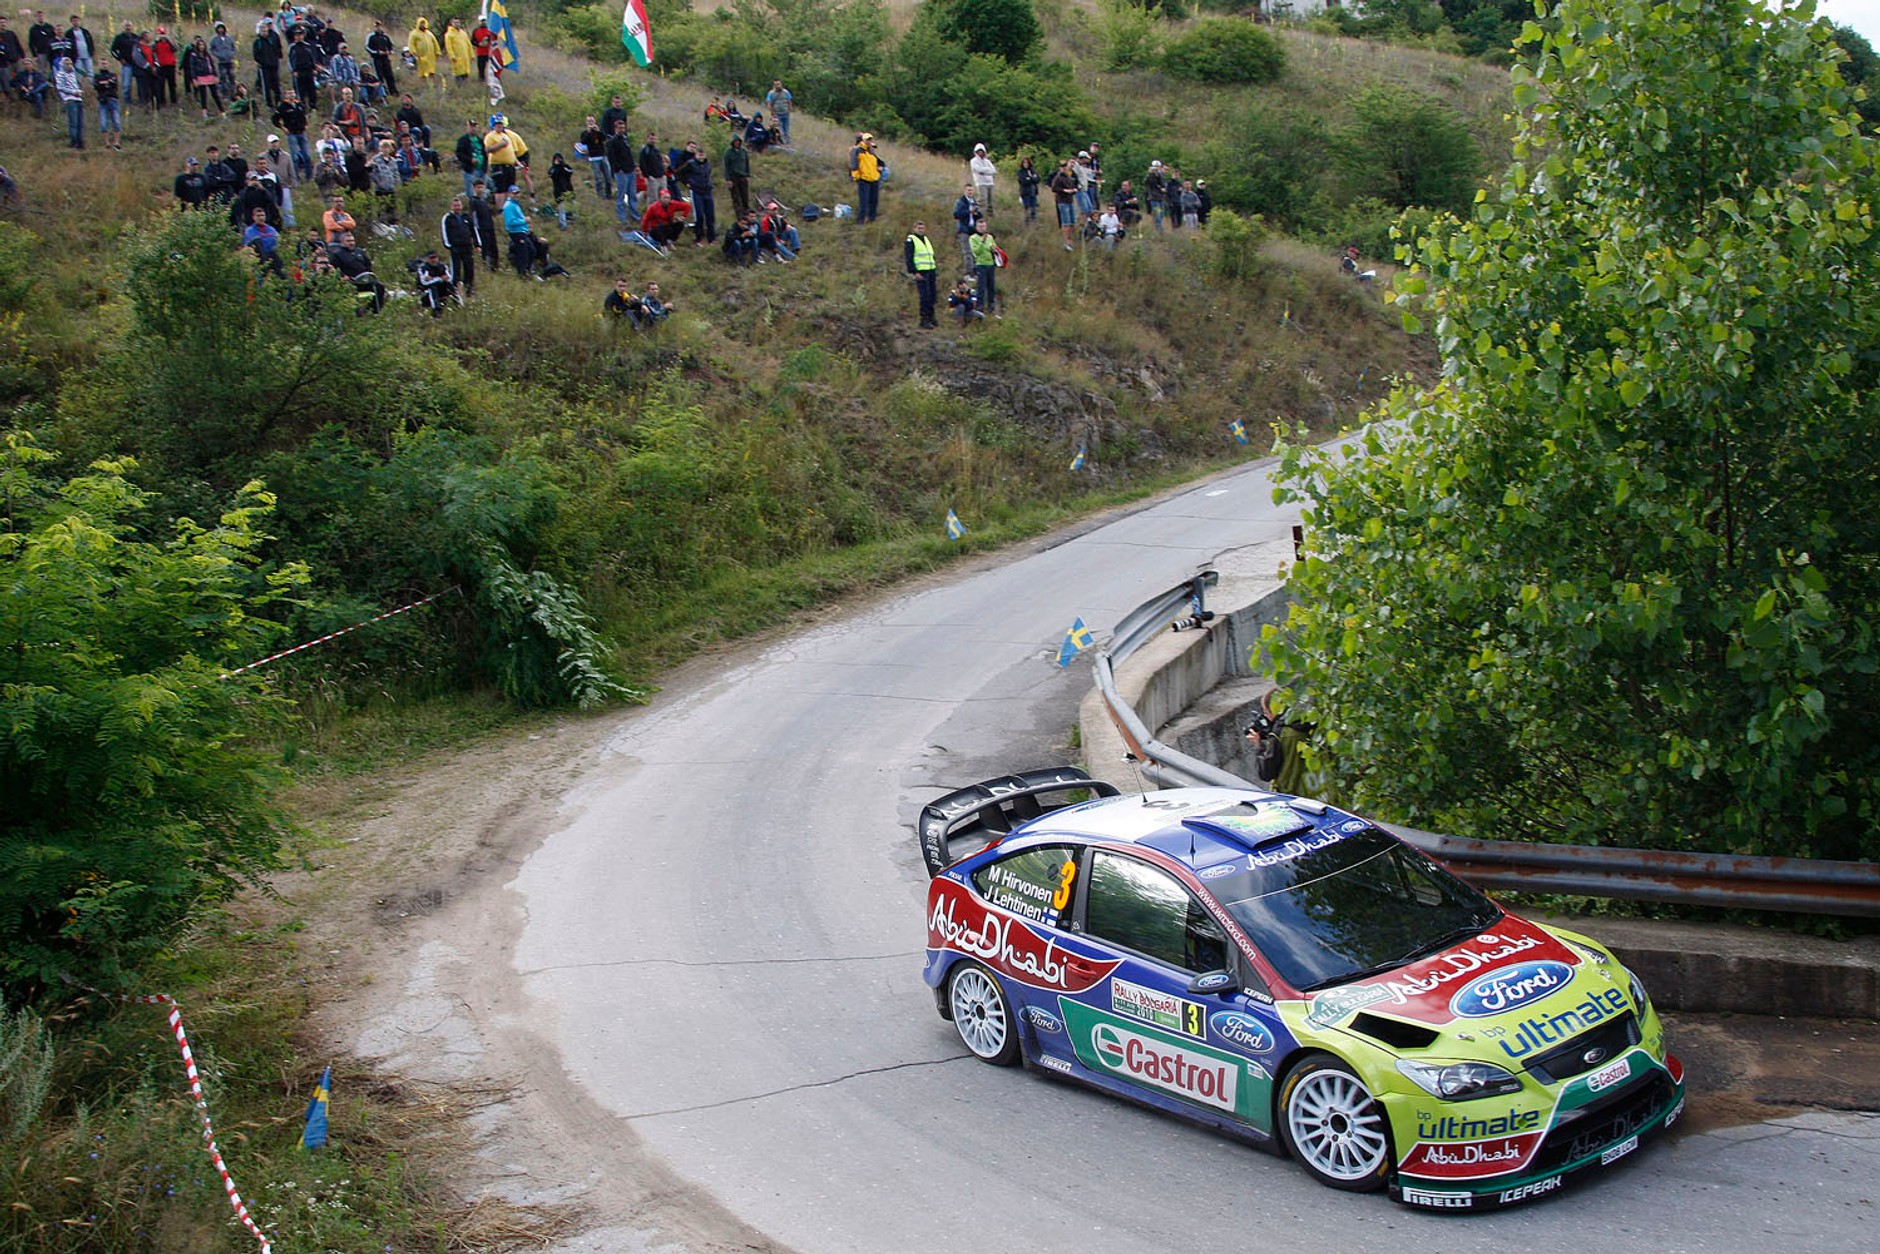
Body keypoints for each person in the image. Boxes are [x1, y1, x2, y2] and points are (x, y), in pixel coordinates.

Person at [325, 228, 384, 311]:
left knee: (379, 287)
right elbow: (333, 269)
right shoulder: (337, 254)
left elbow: (368, 265)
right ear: (342, 242)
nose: (351, 243)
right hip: (351, 283)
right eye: (348, 241)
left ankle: (374, 310)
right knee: (349, 291)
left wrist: (370, 274)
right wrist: (343, 276)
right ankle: (355, 312)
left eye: (352, 240)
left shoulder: (360, 251)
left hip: (365, 280)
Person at [674, 141, 715, 245]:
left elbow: (708, 174)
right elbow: (678, 173)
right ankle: (698, 238)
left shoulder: (708, 164)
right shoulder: (691, 164)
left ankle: (712, 238)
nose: (701, 157)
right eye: (699, 155)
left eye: (703, 155)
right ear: (696, 155)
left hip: (707, 191)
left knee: (710, 216)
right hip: (696, 191)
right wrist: (686, 182)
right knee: (699, 215)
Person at [441, 194, 480, 296]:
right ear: (451, 207)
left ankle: (469, 289)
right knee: (456, 270)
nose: (457, 208)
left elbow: (474, 231)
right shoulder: (448, 218)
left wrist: (477, 244)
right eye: (455, 206)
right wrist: (449, 246)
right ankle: (454, 291)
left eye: (458, 205)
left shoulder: (466, 217)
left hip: (467, 247)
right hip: (455, 248)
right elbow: (444, 232)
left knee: (469, 269)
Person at [484, 113, 528, 197]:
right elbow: (487, 149)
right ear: (494, 125)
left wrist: (517, 162)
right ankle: (500, 209)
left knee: (510, 188)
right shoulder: (490, 136)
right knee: (500, 189)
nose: (499, 126)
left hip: (510, 166)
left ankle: (508, 207)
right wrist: (500, 144)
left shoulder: (505, 135)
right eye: (497, 124)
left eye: (501, 124)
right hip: (498, 165)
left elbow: (511, 151)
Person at [905, 219, 937, 329]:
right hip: (921, 272)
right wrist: (914, 272)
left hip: (930, 270)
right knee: (925, 297)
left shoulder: (926, 239)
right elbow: (909, 257)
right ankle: (924, 320)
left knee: (932, 296)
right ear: (914, 229)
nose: (921, 230)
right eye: (919, 228)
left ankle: (932, 317)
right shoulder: (911, 240)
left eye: (923, 228)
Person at [606, 119, 638, 224]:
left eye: (623, 128)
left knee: (632, 194)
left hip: (630, 170)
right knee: (621, 195)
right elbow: (611, 157)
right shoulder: (612, 141)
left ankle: (634, 214)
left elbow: (629, 154)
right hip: (621, 172)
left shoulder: (625, 139)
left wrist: (633, 166)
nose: (622, 129)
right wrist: (618, 169)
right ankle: (622, 217)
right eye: (620, 128)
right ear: (615, 129)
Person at [500, 186, 535, 277]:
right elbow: (510, 222)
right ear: (509, 194)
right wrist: (524, 221)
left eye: (517, 193)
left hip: (522, 232)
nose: (516, 195)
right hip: (516, 233)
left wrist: (526, 226)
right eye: (514, 193)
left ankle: (527, 270)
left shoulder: (515, 204)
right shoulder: (509, 206)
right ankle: (522, 273)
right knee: (523, 253)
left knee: (531, 250)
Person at [184, 36, 221, 119]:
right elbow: (192, 68)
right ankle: (205, 113)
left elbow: (212, 65)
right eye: (200, 45)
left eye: (203, 45)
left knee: (215, 94)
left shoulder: (207, 55)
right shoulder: (193, 55)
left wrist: (215, 75)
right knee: (203, 96)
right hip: (200, 77)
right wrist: (194, 79)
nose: (201, 47)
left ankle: (222, 111)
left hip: (210, 75)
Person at [969, 220, 1000, 317]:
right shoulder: (973, 238)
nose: (982, 228)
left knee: (991, 287)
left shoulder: (990, 237)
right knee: (981, 287)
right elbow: (976, 252)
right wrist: (982, 242)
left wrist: (994, 250)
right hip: (981, 265)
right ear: (976, 227)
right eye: (980, 226)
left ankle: (991, 308)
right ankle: (980, 309)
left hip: (991, 264)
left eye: (983, 226)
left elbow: (995, 248)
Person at [849, 132, 882, 223]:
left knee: (874, 201)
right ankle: (860, 221)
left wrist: (879, 171)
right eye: (867, 139)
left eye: (870, 139)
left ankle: (871, 219)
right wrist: (857, 177)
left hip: (874, 179)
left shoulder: (871, 151)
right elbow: (854, 165)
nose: (869, 141)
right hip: (863, 179)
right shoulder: (857, 150)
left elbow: (879, 163)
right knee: (864, 202)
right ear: (863, 140)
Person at [242, 205, 283, 276]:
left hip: (272, 255)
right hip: (258, 258)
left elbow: (278, 240)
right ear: (253, 217)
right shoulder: (250, 230)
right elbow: (250, 245)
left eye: (262, 215)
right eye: (258, 216)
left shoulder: (271, 229)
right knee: (257, 241)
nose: (260, 218)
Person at [1048, 158, 1079, 250]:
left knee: (1072, 222)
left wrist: (1074, 190)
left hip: (1070, 201)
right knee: (1066, 223)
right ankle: (1066, 242)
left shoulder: (1070, 177)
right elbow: (1054, 188)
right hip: (1062, 201)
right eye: (1063, 167)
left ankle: (1070, 240)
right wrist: (1065, 190)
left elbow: (1075, 186)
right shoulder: (1058, 177)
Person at [468, 178, 499, 268]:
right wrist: (476, 229)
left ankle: (494, 267)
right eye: (478, 187)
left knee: (493, 247)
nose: (480, 189)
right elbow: (473, 217)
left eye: (482, 187)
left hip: (490, 227)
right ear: (474, 188)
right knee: (485, 248)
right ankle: (486, 266)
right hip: (482, 228)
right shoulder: (473, 201)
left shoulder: (484, 201)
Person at [53, 56, 82, 148]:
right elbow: (60, 87)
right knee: (73, 123)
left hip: (79, 99)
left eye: (70, 63)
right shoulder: (60, 74)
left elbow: (75, 85)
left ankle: (80, 142)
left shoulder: (73, 74)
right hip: (70, 100)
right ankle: (74, 142)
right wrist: (73, 92)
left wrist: (79, 91)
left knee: (80, 123)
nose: (69, 65)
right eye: (67, 64)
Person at [415, 250, 454, 314]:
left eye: (435, 257)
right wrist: (440, 279)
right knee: (432, 287)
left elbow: (449, 279)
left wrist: (433, 279)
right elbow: (424, 283)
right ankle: (436, 310)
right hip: (426, 294)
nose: (434, 260)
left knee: (450, 285)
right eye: (431, 258)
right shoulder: (423, 268)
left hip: (442, 291)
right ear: (427, 259)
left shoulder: (443, 266)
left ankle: (458, 304)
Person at [455, 115, 485, 198]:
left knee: (482, 193)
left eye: (475, 126)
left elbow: (485, 152)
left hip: (481, 169)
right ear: (467, 127)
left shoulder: (480, 140)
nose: (473, 128)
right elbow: (459, 154)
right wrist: (470, 160)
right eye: (471, 126)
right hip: (470, 170)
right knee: (471, 194)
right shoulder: (463, 140)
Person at [364, 20, 396, 97]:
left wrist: (390, 51)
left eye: (379, 26)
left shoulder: (385, 36)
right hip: (376, 59)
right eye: (376, 26)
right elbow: (367, 47)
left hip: (385, 58)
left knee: (389, 75)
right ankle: (382, 93)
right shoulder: (371, 36)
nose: (378, 27)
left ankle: (393, 91)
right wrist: (377, 52)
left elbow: (392, 46)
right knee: (379, 76)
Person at [287, 28, 317, 109]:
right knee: (300, 92)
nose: (299, 37)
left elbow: (312, 58)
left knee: (312, 91)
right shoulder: (292, 47)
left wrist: (314, 68)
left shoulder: (307, 46)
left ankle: (313, 106)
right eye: (297, 35)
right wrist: (293, 71)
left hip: (309, 71)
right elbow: (290, 61)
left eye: (301, 35)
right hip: (299, 72)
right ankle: (301, 108)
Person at [724, 133, 751, 219]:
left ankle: (747, 214)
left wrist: (748, 175)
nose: (737, 143)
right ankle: (739, 216)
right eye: (735, 141)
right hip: (733, 177)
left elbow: (747, 163)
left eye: (739, 141)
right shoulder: (728, 153)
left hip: (743, 176)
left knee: (745, 196)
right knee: (736, 198)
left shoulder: (743, 151)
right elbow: (726, 167)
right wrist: (728, 180)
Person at [952, 185, 981, 267]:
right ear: (964, 191)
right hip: (964, 229)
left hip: (974, 229)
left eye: (971, 190)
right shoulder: (961, 202)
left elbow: (980, 217)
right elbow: (956, 214)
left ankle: (975, 272)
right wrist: (968, 211)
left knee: (975, 252)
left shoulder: (974, 202)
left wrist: (977, 213)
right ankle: (969, 272)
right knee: (967, 252)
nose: (970, 192)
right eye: (968, 190)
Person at [93, 63, 120, 149]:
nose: (104, 65)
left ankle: (116, 142)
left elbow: (114, 84)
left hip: (113, 99)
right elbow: (97, 86)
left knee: (116, 121)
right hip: (102, 100)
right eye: (102, 63)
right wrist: (107, 83)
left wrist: (103, 83)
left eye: (105, 63)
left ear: (108, 64)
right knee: (103, 122)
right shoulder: (97, 76)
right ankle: (107, 143)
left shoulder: (113, 75)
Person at [209, 21, 237, 101]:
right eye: (219, 28)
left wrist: (232, 54)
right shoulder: (214, 39)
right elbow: (211, 49)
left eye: (222, 28)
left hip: (230, 61)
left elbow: (233, 47)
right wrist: (218, 55)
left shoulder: (229, 38)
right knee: (223, 77)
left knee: (232, 76)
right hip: (221, 62)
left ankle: (233, 93)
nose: (220, 30)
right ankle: (225, 94)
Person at [408, 18, 439, 89]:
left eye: (424, 23)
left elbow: (435, 42)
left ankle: (432, 86)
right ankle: (423, 86)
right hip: (421, 57)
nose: (423, 25)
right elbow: (411, 44)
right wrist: (414, 53)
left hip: (431, 57)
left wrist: (437, 51)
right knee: (422, 73)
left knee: (431, 72)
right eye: (421, 23)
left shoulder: (429, 33)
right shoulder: (414, 33)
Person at [151, 25, 177, 106]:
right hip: (161, 66)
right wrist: (156, 41)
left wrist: (169, 40)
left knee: (172, 84)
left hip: (170, 66)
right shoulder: (155, 44)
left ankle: (174, 101)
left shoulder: (169, 43)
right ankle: (162, 101)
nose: (162, 36)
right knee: (161, 85)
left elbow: (175, 49)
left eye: (163, 34)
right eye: (160, 34)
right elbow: (152, 50)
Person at [548, 153, 576, 228]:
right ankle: (563, 224)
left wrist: (561, 165)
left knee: (573, 204)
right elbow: (552, 175)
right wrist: (557, 167)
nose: (557, 160)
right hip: (558, 191)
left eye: (559, 159)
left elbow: (570, 172)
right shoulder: (552, 169)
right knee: (562, 208)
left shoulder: (565, 167)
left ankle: (572, 218)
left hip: (568, 189)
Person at [969, 143, 996, 214]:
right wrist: (987, 170)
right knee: (982, 199)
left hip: (990, 182)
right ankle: (974, 212)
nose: (980, 153)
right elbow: (978, 169)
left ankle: (990, 214)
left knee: (991, 200)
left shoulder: (987, 161)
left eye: (982, 151)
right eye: (979, 151)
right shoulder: (973, 161)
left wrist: (985, 171)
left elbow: (993, 170)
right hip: (981, 183)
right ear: (976, 152)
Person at [765, 79, 792, 146]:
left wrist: (789, 109)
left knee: (786, 129)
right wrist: (772, 112)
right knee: (780, 130)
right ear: (774, 85)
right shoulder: (771, 93)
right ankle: (783, 143)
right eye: (776, 84)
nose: (778, 86)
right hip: (777, 114)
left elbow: (789, 101)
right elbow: (769, 103)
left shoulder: (786, 92)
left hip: (786, 113)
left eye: (779, 84)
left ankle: (788, 143)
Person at [1016, 155, 1040, 226]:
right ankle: (1027, 224)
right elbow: (1023, 181)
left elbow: (1038, 179)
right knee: (1027, 209)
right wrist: (1032, 179)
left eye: (1027, 163)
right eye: (1024, 163)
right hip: (1025, 193)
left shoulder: (1032, 171)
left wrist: (1030, 178)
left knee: (1034, 209)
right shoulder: (1021, 172)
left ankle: (1034, 224)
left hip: (1033, 192)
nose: (1026, 164)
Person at [1145, 160, 1169, 232]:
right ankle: (1158, 231)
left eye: (1158, 167)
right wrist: (1150, 173)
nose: (1157, 168)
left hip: (1160, 198)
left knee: (1161, 216)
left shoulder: (1160, 175)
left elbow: (1162, 184)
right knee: (1157, 216)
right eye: (1155, 167)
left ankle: (1160, 230)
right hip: (1154, 198)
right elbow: (1147, 183)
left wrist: (1163, 188)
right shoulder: (1150, 175)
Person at [470, 16, 495, 84]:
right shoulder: (475, 30)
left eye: (484, 21)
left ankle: (492, 81)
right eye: (482, 21)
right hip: (480, 53)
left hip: (489, 53)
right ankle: (481, 81)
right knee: (481, 69)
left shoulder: (489, 30)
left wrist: (488, 40)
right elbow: (472, 41)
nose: (483, 22)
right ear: (479, 22)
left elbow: (494, 39)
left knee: (492, 68)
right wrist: (478, 44)